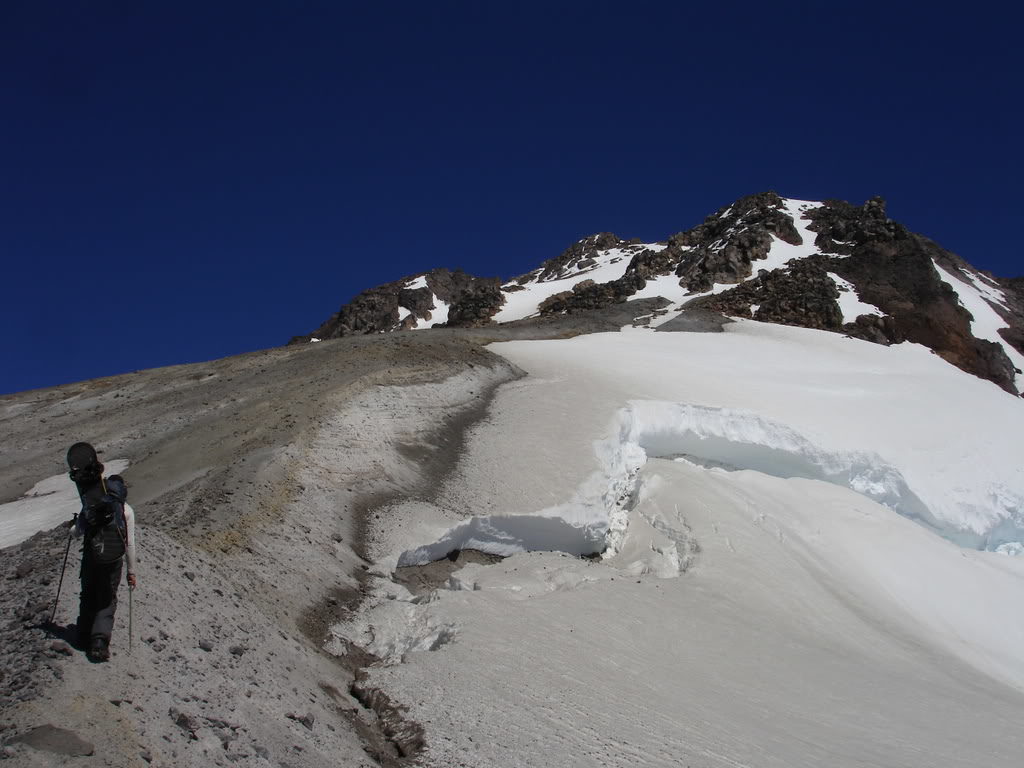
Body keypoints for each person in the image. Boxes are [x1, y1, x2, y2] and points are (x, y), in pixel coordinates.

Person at [68, 449, 137, 662]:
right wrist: (132, 572)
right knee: (107, 598)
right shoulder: (126, 511)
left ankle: (81, 636)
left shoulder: (93, 503)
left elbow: (76, 532)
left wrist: (73, 525)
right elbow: (130, 543)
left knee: (88, 592)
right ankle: (99, 642)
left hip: (92, 553)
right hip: (114, 557)